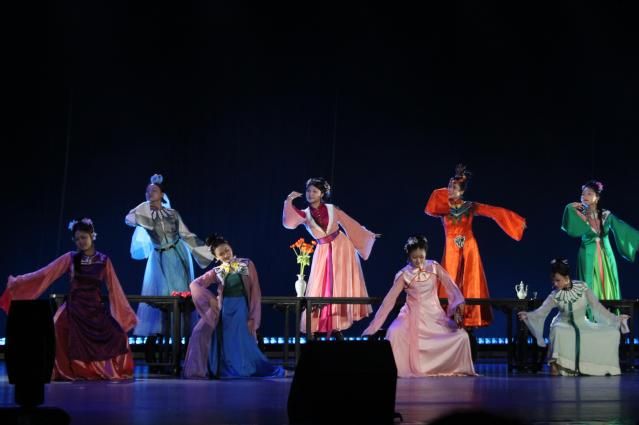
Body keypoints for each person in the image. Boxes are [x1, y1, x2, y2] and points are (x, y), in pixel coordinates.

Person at [0, 218, 137, 380]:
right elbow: (45, 274)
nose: (80, 241)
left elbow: (115, 288)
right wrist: (18, 283)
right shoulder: (70, 258)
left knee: (118, 335)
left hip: (95, 309)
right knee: (57, 327)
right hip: (74, 307)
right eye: (77, 239)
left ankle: (101, 370)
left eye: (83, 237)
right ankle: (68, 369)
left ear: (92, 236)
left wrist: (123, 316)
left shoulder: (103, 260)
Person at [425, 164, 526, 328]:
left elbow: (493, 211)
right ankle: (448, 314)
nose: (450, 190)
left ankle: (471, 317)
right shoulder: (443, 207)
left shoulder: (470, 206)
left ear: (461, 192)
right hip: (451, 246)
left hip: (468, 245)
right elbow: (430, 207)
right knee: (450, 278)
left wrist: (516, 222)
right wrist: (451, 184)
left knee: (470, 279)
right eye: (449, 187)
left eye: (454, 188)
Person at [362, 236, 475, 377]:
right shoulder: (404, 275)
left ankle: (450, 366)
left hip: (434, 315)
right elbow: (389, 300)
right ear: (408, 257)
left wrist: (458, 306)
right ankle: (397, 369)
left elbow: (451, 286)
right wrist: (375, 325)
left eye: (421, 257)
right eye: (414, 258)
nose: (418, 261)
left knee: (461, 336)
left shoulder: (433, 267)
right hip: (411, 314)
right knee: (394, 332)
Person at [283, 177, 380, 338]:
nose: (310, 194)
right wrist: (288, 201)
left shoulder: (332, 209)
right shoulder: (305, 214)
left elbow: (349, 224)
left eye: (314, 191)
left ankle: (337, 326)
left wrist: (368, 235)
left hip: (341, 248)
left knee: (339, 286)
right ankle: (314, 326)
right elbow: (289, 222)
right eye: (308, 191)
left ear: (322, 193)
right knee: (320, 287)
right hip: (322, 250)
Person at [182, 235, 285, 379]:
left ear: (230, 247)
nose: (226, 255)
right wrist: (210, 299)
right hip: (225, 310)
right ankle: (227, 368)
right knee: (218, 338)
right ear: (216, 257)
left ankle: (243, 368)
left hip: (241, 307)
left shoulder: (245, 264)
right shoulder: (218, 271)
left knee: (241, 340)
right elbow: (195, 284)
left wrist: (253, 317)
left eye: (227, 250)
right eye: (221, 254)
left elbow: (255, 291)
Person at [125, 173, 213, 336]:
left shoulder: (172, 213)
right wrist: (143, 205)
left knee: (182, 295)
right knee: (164, 297)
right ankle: (165, 333)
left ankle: (184, 335)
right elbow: (128, 219)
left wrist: (206, 252)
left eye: (154, 191)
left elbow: (185, 234)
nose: (150, 194)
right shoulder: (144, 214)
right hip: (159, 257)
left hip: (177, 254)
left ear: (162, 194)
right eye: (147, 191)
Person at [518, 258, 630, 376]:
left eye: (558, 280)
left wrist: (616, 319)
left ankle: (593, 367)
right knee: (557, 331)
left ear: (566, 278)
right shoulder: (555, 295)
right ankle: (558, 365)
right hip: (562, 324)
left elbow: (597, 307)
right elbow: (541, 311)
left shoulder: (582, 288)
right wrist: (528, 316)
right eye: (553, 281)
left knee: (612, 333)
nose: (555, 284)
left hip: (583, 324)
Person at [562, 180, 639, 302]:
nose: (584, 196)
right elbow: (571, 227)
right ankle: (590, 312)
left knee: (608, 283)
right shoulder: (579, 214)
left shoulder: (606, 215)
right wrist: (570, 206)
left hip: (606, 255)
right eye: (583, 194)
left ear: (597, 197)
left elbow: (623, 229)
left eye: (589, 193)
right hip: (587, 253)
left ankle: (609, 311)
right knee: (588, 284)